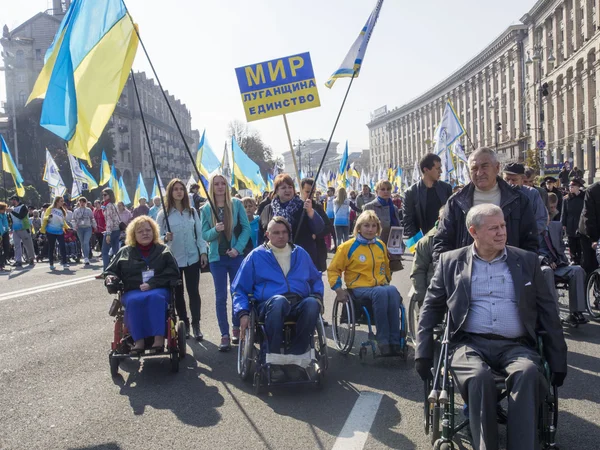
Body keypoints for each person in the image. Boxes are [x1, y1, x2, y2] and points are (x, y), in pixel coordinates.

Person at [416, 204, 567, 450]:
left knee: (528, 373)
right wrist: (423, 354)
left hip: (517, 345)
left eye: (503, 226)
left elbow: (549, 313)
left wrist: (558, 359)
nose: (501, 232)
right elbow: (430, 309)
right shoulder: (450, 262)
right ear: (474, 231)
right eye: (493, 228)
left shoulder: (526, 261)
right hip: (468, 344)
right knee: (479, 377)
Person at [232, 217, 324, 382]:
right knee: (279, 301)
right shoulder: (255, 256)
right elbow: (239, 288)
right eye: (276, 232)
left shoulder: (300, 253)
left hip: (297, 303)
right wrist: (242, 313)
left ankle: (297, 358)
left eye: (284, 232)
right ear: (267, 234)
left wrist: (318, 296)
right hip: (268, 305)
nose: (281, 236)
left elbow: (315, 279)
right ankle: (272, 360)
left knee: (311, 304)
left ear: (289, 234)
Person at [433, 147, 538, 261]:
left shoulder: (519, 200)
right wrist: (449, 273)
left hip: (509, 272)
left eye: (484, 166)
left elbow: (531, 243)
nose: (479, 173)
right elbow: (442, 243)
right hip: (467, 273)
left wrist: (522, 272)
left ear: (497, 168)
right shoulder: (456, 202)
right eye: (474, 168)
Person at [328, 210, 402, 356]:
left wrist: (386, 280)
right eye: (366, 226)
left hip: (379, 286)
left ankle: (395, 340)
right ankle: (383, 341)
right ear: (359, 227)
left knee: (392, 290)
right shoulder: (348, 247)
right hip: (358, 287)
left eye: (373, 226)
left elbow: (385, 267)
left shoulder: (380, 245)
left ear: (378, 228)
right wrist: (338, 289)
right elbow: (333, 270)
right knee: (382, 292)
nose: (370, 229)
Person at [104, 216, 180, 354]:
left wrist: (153, 283)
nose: (145, 233)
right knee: (134, 301)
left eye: (148, 230)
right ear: (133, 234)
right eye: (140, 231)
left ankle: (158, 340)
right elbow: (110, 271)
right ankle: (139, 341)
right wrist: (111, 279)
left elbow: (173, 272)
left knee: (156, 298)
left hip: (158, 289)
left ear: (154, 232)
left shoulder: (163, 250)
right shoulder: (124, 252)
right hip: (133, 290)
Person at [201, 174, 251, 351]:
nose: (220, 186)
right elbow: (204, 234)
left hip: (235, 256)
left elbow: (246, 228)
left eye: (223, 183)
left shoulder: (236, 204)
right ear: (212, 187)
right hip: (217, 259)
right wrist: (215, 230)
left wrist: (237, 248)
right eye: (216, 184)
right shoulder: (206, 209)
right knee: (221, 296)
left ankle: (237, 327)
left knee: (237, 293)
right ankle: (224, 334)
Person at [157, 179, 208, 341]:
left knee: (194, 292)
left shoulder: (192, 211)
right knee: (178, 294)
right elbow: (156, 237)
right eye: (175, 189)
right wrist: (164, 238)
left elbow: (199, 235)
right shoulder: (163, 213)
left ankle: (196, 325)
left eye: (181, 189)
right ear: (170, 192)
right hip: (173, 260)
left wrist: (203, 252)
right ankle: (184, 324)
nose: (179, 192)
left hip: (192, 257)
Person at [259, 174, 325, 266]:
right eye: (283, 188)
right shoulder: (268, 209)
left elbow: (319, 228)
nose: (288, 190)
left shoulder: (304, 207)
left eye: (290, 187)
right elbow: (261, 234)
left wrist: (310, 212)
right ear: (276, 191)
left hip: (300, 259)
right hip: (274, 260)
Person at [539, 214, 588, 325]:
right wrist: (544, 260)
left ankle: (576, 313)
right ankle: (554, 314)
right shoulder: (530, 231)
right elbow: (529, 251)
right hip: (542, 265)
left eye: (545, 215)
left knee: (577, 270)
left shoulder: (555, 227)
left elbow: (561, 247)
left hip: (558, 263)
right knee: (547, 271)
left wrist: (560, 258)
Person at [402, 153, 453, 237]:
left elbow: (451, 214)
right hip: (422, 241)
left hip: (444, 238)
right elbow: (408, 222)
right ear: (426, 170)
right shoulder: (411, 192)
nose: (441, 171)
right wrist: (417, 245)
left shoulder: (446, 188)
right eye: (438, 168)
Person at [363, 180, 403, 272]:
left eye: (388, 189)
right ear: (376, 191)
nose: (386, 191)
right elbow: (361, 229)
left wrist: (400, 245)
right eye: (382, 189)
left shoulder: (395, 208)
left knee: (387, 278)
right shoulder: (369, 207)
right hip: (374, 248)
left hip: (392, 249)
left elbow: (398, 227)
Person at [410, 207, 445, 308]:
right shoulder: (426, 242)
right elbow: (418, 272)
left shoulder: (463, 238)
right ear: (439, 219)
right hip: (433, 291)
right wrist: (424, 300)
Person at [502, 162, 548, 234]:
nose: (510, 183)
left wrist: (527, 235)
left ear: (522, 179)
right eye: (506, 179)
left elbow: (541, 220)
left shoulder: (532, 194)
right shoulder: (497, 193)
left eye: (514, 180)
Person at [300, 178, 331, 272]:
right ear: (301, 190)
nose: (310, 195)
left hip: (316, 251)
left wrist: (316, 235)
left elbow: (328, 226)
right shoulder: (295, 206)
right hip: (301, 250)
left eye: (313, 192)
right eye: (307, 192)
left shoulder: (317, 207)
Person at [40, 196, 69, 270]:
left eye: (63, 201)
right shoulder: (50, 209)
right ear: (57, 201)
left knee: (62, 246)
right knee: (51, 247)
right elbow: (45, 218)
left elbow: (63, 221)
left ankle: (64, 262)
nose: (62, 203)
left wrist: (68, 228)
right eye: (61, 201)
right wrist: (48, 217)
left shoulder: (62, 210)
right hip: (50, 231)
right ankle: (51, 264)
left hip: (59, 231)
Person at [578, 180, 600, 275]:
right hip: (588, 232)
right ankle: (584, 287)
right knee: (590, 264)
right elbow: (589, 216)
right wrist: (593, 239)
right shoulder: (592, 190)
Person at [562, 178, 585, 265]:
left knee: (580, 242)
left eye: (573, 186)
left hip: (580, 223)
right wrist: (563, 224)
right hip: (570, 223)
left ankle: (580, 258)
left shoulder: (584, 197)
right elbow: (564, 213)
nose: (570, 188)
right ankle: (573, 258)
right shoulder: (567, 199)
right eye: (570, 186)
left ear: (578, 187)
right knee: (571, 242)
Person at [99, 188, 121, 276]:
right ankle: (121, 269)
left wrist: (108, 234)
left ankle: (106, 271)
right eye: (103, 195)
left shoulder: (108, 205)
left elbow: (109, 220)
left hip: (111, 231)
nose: (103, 197)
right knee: (116, 251)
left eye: (105, 195)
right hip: (117, 229)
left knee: (104, 251)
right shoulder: (113, 204)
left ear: (110, 195)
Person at [8, 195, 35, 267]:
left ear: (15, 200)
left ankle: (31, 258)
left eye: (12, 200)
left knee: (28, 244)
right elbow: (11, 219)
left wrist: (12, 212)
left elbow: (21, 216)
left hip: (24, 228)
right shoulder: (12, 208)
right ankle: (18, 260)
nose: (11, 202)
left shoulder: (23, 207)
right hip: (15, 229)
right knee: (16, 245)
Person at [72, 197, 96, 265]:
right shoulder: (76, 211)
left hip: (88, 228)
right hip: (79, 228)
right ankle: (85, 255)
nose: (82, 203)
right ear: (79, 203)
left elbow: (92, 218)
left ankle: (86, 257)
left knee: (86, 242)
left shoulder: (89, 210)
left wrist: (95, 226)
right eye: (80, 202)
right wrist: (74, 226)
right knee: (82, 243)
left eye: (83, 202)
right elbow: (73, 219)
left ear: (86, 203)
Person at [0, 202, 9, 272]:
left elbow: (6, 223)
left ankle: (2, 263)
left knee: (7, 249)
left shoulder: (4, 214)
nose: (5, 210)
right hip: (1, 234)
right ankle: (1, 265)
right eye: (4, 209)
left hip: (5, 233)